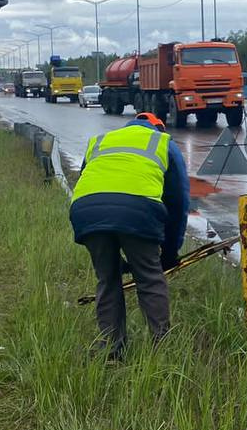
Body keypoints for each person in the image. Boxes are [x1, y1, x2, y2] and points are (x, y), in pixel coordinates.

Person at [69, 111, 190, 358]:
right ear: (158, 127)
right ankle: (162, 348)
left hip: (87, 210)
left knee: (107, 278)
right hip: (138, 211)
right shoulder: (163, 143)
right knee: (149, 277)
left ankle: (110, 349)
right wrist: (169, 252)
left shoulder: (101, 140)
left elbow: (89, 182)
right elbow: (178, 202)